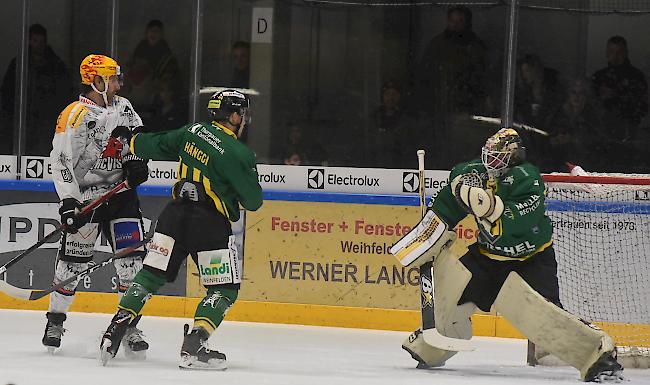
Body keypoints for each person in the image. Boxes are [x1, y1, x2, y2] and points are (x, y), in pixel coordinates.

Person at [399, 128, 624, 382]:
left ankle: (597, 355)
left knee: (547, 317)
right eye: (488, 155)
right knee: (448, 300)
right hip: (487, 258)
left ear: (514, 157)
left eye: (498, 157)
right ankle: (435, 345)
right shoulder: (472, 173)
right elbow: (446, 207)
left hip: (531, 260)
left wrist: (487, 205)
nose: (490, 162)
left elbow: (514, 223)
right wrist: (430, 234)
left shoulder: (528, 179)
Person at [99, 89, 263, 370]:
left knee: (150, 275)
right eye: (242, 114)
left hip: (173, 216)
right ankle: (194, 346)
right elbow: (254, 201)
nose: (244, 119)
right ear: (234, 116)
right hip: (209, 225)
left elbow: (153, 144)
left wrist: (130, 138)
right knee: (224, 289)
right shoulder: (239, 153)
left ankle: (114, 330)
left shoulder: (193, 132)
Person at [44, 54, 150, 356]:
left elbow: (136, 139)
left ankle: (128, 325)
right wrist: (68, 201)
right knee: (72, 265)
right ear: (97, 81)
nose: (118, 83)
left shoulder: (124, 107)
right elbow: (62, 161)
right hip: (87, 199)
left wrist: (134, 162)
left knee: (132, 265)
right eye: (112, 78)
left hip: (121, 195)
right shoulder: (73, 115)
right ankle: (55, 320)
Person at [0, 23, 73, 155]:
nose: (38, 45)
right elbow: (7, 93)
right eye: (35, 41)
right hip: (22, 123)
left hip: (46, 123)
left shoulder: (56, 66)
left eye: (41, 41)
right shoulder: (19, 64)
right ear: (29, 41)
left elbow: (64, 93)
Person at [415, 5, 487, 116]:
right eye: (452, 21)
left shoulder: (476, 47)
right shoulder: (436, 45)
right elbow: (425, 75)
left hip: (467, 107)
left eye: (460, 20)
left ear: (467, 22)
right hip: (438, 106)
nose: (455, 24)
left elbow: (481, 79)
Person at [591, 36, 648, 142]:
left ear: (626, 52)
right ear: (607, 53)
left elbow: (642, 104)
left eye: (619, 51)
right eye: (612, 51)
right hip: (603, 130)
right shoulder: (599, 76)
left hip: (628, 129)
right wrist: (600, 97)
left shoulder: (636, 76)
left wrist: (618, 95)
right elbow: (589, 101)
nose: (615, 55)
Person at [124, 19, 181, 120]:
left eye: (156, 32)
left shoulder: (167, 58)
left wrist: (157, 85)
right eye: (151, 31)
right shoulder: (139, 51)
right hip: (137, 100)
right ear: (146, 33)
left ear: (162, 34)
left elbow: (170, 83)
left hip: (157, 104)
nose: (153, 34)